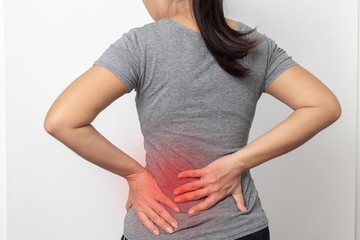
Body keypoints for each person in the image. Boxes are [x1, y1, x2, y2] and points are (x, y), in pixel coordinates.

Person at [43, 0, 342, 239]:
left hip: (160, 229)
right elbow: (323, 106)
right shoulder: (254, 45)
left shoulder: (141, 44)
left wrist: (135, 175)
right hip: (242, 228)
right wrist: (237, 162)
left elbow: (62, 120)